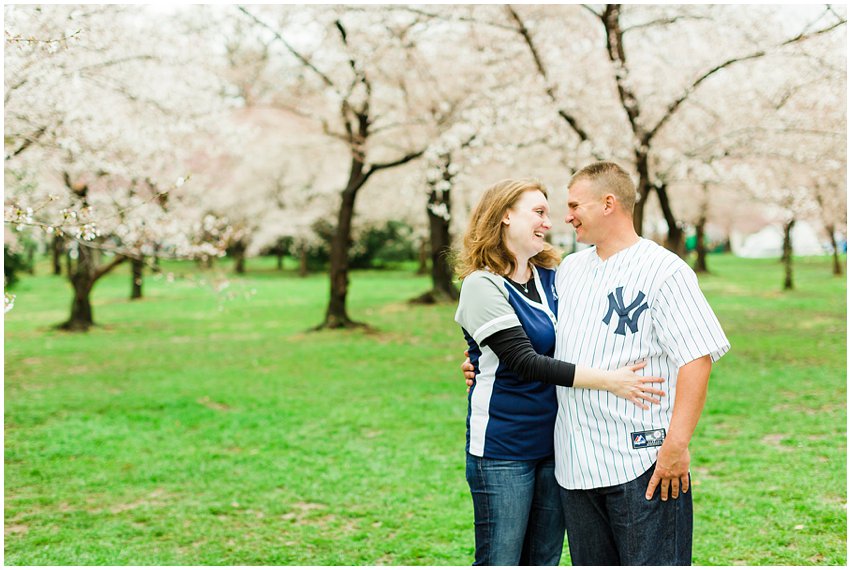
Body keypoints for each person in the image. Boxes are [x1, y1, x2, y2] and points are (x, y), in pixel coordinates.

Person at [463, 163, 730, 565]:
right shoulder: (569, 271)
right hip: (574, 468)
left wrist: (677, 445)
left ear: (609, 204)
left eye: (573, 205)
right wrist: (478, 362)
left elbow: (697, 357)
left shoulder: (665, 271)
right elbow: (525, 346)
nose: (564, 218)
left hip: (642, 461)